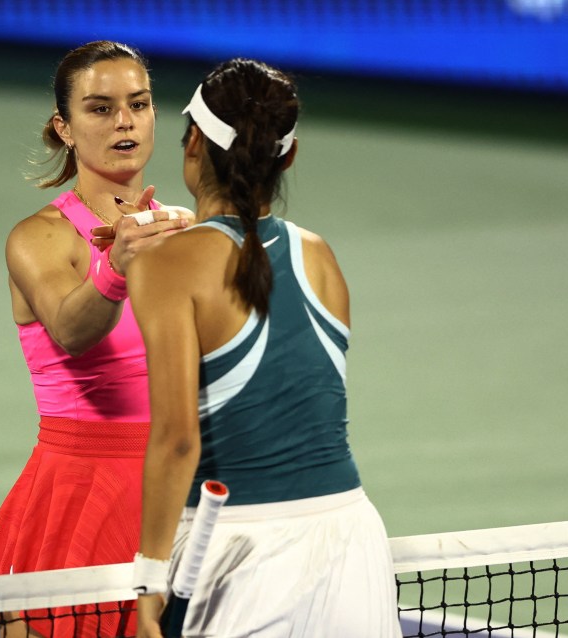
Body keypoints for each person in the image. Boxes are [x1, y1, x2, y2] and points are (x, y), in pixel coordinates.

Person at [128, 58, 402, 637]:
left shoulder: (167, 265)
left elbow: (178, 440)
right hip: (351, 540)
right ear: (288, 156)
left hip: (240, 553)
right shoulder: (320, 255)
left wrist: (150, 578)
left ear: (194, 142)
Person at [0, 41, 189, 638]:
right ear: (64, 128)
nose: (124, 120)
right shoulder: (37, 238)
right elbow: (71, 331)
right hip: (80, 492)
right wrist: (114, 267)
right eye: (100, 108)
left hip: (176, 483)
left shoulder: (184, 233)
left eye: (138, 104)